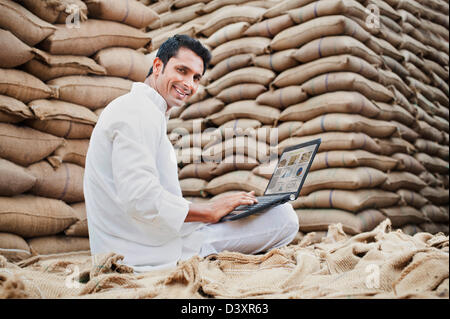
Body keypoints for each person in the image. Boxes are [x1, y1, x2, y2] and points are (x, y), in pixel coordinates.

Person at [83, 35, 299, 272]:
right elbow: (140, 196)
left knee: (258, 213)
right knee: (284, 218)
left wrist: (214, 210)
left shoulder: (142, 110)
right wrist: (207, 211)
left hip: (145, 241)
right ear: (157, 66)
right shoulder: (137, 111)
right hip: (145, 253)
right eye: (182, 70)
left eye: (196, 77)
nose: (189, 84)